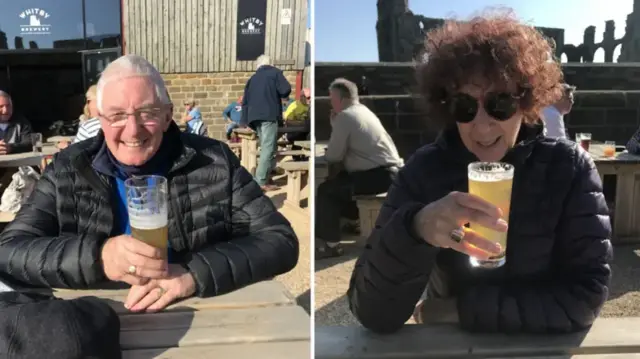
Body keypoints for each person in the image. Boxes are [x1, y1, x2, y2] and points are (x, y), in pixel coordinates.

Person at [347, 14, 612, 334]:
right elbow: (372, 314)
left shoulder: (570, 169)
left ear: (526, 100)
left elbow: (585, 299)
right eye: (464, 107)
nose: (483, 125)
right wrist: (415, 229)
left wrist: (459, 311)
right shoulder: (423, 171)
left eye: (500, 103)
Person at [0, 54, 299, 312]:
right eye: (117, 116)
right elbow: (9, 249)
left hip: (201, 312)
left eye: (148, 113)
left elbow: (280, 240)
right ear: (99, 118)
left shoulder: (214, 160)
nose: (133, 130)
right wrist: (98, 256)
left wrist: (194, 273)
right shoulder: (69, 167)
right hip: (95, 317)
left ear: (168, 115)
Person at [315, 78, 403, 258]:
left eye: (332, 98)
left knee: (326, 191)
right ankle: (355, 220)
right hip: (391, 173)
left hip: (378, 176)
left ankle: (331, 245)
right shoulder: (363, 111)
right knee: (342, 182)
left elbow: (333, 156)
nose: (331, 102)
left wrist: (335, 127)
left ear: (340, 98)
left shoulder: (345, 116)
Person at [241, 54, 292, 192]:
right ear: (270, 64)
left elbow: (244, 101)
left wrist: (243, 121)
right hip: (269, 115)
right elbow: (285, 90)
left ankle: (265, 176)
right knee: (268, 148)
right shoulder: (275, 72)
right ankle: (261, 181)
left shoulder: (252, 79)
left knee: (266, 147)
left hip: (254, 118)